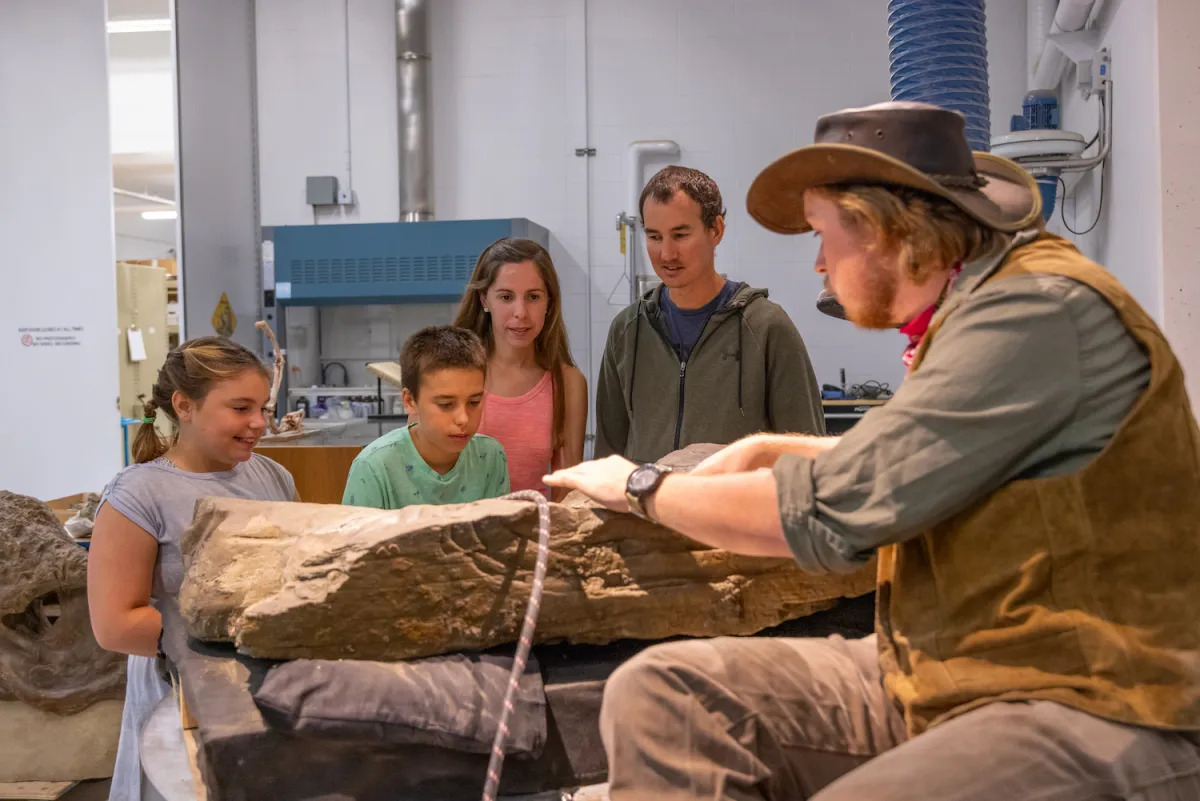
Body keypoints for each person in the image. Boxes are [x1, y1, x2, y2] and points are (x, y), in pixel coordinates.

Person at [545, 102, 1200, 800]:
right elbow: (923, 449)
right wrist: (772, 446)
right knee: (664, 697)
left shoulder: (1035, 309)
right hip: (944, 663)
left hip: (1087, 688)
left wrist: (641, 483)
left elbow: (834, 511)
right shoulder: (968, 311)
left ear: (886, 229)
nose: (820, 262)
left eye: (825, 236)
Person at [88, 338, 296, 801]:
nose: (258, 423)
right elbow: (115, 624)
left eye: (262, 407)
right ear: (184, 405)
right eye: (241, 408)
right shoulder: (138, 494)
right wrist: (246, 627)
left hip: (270, 699)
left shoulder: (274, 477)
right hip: (179, 702)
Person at [595, 165, 824, 464]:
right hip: (645, 510)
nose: (666, 254)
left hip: (733, 508)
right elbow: (608, 457)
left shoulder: (767, 327)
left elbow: (806, 454)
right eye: (654, 237)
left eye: (680, 234)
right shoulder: (627, 330)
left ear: (715, 230)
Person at [454, 237, 587, 499]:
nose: (520, 312)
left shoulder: (568, 384)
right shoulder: (449, 375)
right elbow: (419, 475)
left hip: (534, 534)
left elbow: (567, 496)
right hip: (456, 534)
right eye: (506, 297)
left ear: (549, 302)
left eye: (534, 297)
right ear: (484, 300)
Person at [342, 325, 509, 509]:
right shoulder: (373, 467)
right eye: (446, 404)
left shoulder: (491, 457)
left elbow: (497, 535)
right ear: (410, 401)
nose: (463, 419)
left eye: (474, 402)